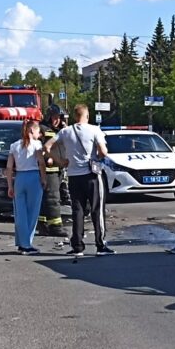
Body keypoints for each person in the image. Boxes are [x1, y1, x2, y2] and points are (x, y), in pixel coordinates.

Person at [45, 104, 113, 257]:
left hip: (73, 176)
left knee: (77, 211)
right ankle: (100, 245)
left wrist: (60, 161)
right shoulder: (95, 130)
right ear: (87, 115)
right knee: (97, 210)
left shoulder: (65, 132)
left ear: (75, 116)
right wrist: (97, 158)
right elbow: (103, 151)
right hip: (92, 176)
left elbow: (47, 147)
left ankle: (77, 246)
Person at [6, 119, 47, 255]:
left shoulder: (14, 146)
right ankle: (26, 244)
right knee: (32, 213)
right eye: (37, 131)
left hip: (20, 178)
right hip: (34, 178)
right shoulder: (37, 145)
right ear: (31, 131)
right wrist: (44, 178)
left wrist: (10, 186)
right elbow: (41, 163)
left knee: (20, 213)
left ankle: (21, 242)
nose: (39, 134)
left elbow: (9, 167)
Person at [37, 105, 68, 238]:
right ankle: (56, 226)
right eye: (55, 117)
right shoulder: (42, 129)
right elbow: (38, 148)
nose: (57, 120)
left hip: (59, 169)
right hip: (49, 169)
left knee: (46, 199)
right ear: (49, 117)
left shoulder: (62, 130)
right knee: (53, 199)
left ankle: (43, 225)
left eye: (59, 118)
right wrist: (46, 158)